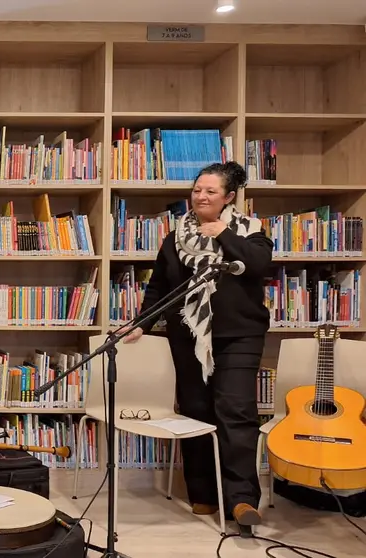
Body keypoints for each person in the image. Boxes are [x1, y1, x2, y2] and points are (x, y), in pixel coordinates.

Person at [122, 161, 272, 528]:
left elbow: (257, 265)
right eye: (197, 190)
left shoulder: (251, 231)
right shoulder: (176, 237)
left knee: (235, 412)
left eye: (210, 192)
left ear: (229, 197)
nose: (201, 197)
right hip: (188, 337)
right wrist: (143, 322)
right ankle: (203, 493)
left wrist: (222, 233)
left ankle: (240, 500)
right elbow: (160, 285)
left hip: (239, 336)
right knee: (194, 413)